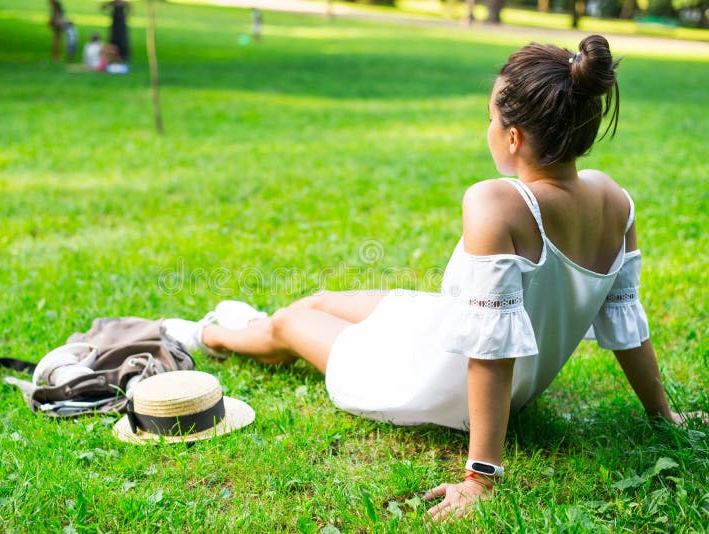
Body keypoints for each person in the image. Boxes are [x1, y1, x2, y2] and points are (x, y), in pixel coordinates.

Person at [163, 35, 705, 521]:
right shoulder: (615, 199)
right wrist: (664, 415)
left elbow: (491, 351)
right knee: (326, 298)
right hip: (454, 337)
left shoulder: (495, 202)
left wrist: (481, 478)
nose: (487, 129)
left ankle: (205, 334)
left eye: (491, 119)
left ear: (513, 137)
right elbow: (626, 325)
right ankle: (248, 325)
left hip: (432, 380)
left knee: (290, 320)